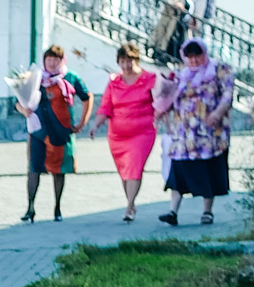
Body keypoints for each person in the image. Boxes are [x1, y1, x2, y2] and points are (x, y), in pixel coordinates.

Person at [156, 38, 234, 226]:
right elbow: (170, 98)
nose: (193, 61)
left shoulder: (219, 70)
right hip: (183, 135)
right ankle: (172, 211)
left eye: (197, 56)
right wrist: (162, 109)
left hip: (209, 135)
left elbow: (227, 95)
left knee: (208, 171)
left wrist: (217, 113)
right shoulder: (182, 74)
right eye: (189, 57)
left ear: (204, 54)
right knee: (179, 172)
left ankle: (207, 212)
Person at [12, 45, 91, 221]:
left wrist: (82, 122)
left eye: (56, 59)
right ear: (44, 61)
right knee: (34, 168)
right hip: (38, 131)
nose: (53, 63)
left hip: (60, 132)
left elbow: (87, 97)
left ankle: (57, 208)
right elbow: (17, 102)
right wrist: (23, 110)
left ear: (62, 60)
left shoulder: (71, 77)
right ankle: (30, 207)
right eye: (49, 59)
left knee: (58, 171)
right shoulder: (35, 78)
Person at [86, 42, 159, 220]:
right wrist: (95, 125)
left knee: (134, 168)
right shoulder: (114, 83)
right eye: (123, 61)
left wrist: (162, 115)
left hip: (143, 131)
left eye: (130, 61)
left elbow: (160, 101)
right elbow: (105, 107)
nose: (126, 65)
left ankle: (129, 206)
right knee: (125, 171)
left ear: (137, 60)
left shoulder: (150, 79)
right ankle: (131, 203)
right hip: (118, 135)